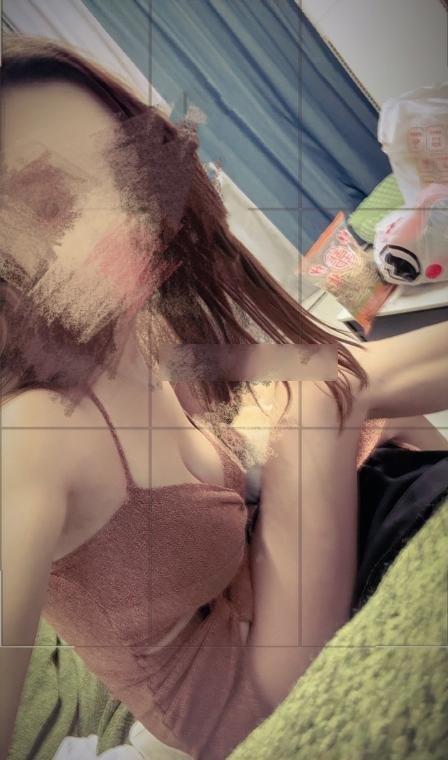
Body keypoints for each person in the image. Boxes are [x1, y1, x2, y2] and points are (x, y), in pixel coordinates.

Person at [1, 35, 447, 760]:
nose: (123, 216)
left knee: (338, 382)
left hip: (260, 598)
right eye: (51, 203)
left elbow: (290, 359)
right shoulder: (35, 432)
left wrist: (403, 227)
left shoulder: (134, 329)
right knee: (327, 397)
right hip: (246, 695)